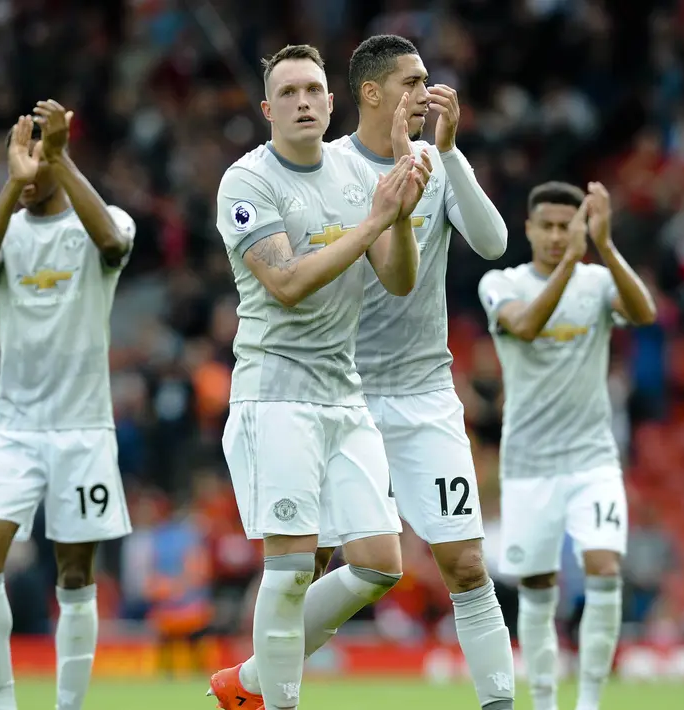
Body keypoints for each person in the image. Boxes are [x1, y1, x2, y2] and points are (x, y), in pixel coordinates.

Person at [221, 34, 516, 710]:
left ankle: (257, 684)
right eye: (412, 83)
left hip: (421, 393)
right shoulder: (332, 169)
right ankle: (265, 685)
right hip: (336, 388)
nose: (427, 93)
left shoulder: (429, 164)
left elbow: (493, 243)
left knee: (465, 565)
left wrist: (443, 156)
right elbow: (290, 280)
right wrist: (383, 214)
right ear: (372, 93)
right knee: (312, 564)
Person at [207, 44, 430, 710]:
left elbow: (397, 280)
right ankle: (276, 702)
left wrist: (402, 215)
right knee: (292, 565)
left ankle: (249, 680)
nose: (303, 102)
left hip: (342, 392)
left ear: (332, 104)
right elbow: (284, 283)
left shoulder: (357, 172)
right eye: (289, 92)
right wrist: (372, 222)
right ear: (267, 108)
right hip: (275, 393)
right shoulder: (246, 182)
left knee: (377, 562)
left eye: (313, 90)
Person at [0, 102, 136, 710]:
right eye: (22, 155)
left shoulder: (101, 221)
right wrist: (12, 184)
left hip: (83, 430)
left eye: (40, 154)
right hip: (12, 430)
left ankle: (67, 706)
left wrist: (58, 159)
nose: (31, 166)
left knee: (75, 577)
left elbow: (113, 245)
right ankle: (2, 704)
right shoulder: (1, 226)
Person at [478, 182, 657, 710]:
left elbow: (645, 314)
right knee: (537, 586)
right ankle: (546, 702)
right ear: (529, 228)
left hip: (591, 459)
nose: (558, 236)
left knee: (604, 568)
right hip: (528, 464)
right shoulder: (502, 283)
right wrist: (572, 262)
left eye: (567, 226)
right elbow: (526, 327)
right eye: (548, 226)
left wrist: (605, 248)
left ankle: (591, 702)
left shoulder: (597, 281)